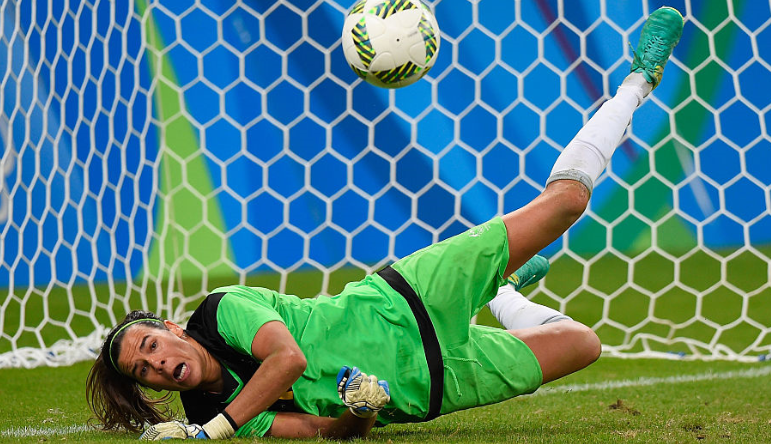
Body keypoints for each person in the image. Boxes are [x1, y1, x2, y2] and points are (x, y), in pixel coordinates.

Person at [85, 6, 684, 440]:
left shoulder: (221, 313)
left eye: (151, 346)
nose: (159, 363)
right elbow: (325, 432)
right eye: (146, 371)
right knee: (584, 344)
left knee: (566, 205)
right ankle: (500, 297)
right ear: (157, 388)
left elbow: (287, 360)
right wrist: (363, 409)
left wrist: (211, 435)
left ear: (169, 327)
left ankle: (637, 81)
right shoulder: (221, 413)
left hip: (406, 299)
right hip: (430, 386)